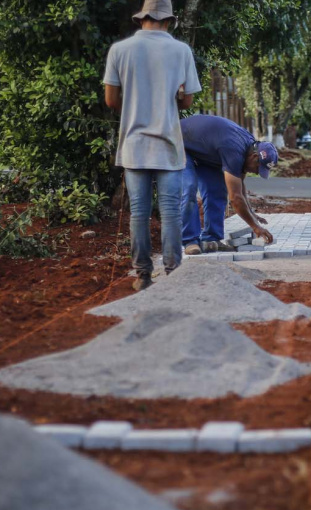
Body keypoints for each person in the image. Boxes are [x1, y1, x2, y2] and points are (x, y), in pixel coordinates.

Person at [103, 0, 201, 291]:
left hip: (134, 144)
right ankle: (173, 274)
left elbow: (110, 100)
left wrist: (134, 108)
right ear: (169, 21)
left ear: (142, 18)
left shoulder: (119, 50)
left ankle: (142, 275)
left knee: (139, 213)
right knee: (170, 211)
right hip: (168, 145)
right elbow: (186, 101)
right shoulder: (181, 51)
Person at [178, 115, 276, 254]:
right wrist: (255, 227)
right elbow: (235, 198)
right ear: (254, 157)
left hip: (203, 151)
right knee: (189, 188)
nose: (255, 172)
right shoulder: (234, 151)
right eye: (257, 168)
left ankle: (211, 239)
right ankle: (190, 241)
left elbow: (240, 188)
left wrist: (252, 214)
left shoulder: (249, 147)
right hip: (178, 143)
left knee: (217, 190)